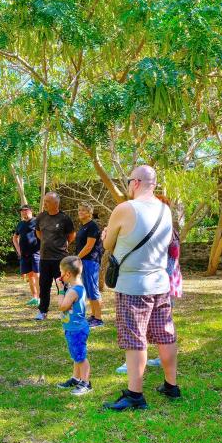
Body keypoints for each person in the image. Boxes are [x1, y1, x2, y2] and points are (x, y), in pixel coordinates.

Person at [101, 165, 180, 411]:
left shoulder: (125, 209)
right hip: (159, 283)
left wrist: (107, 234)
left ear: (135, 182)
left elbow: (108, 244)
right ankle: (171, 385)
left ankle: (135, 395)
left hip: (133, 285)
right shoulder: (165, 210)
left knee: (135, 340)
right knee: (165, 334)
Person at [116, 195, 183, 372]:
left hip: (155, 281)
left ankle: (135, 365)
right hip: (163, 281)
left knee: (141, 326)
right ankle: (167, 374)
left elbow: (168, 258)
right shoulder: (169, 229)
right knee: (162, 327)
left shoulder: (165, 230)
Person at [34, 192, 75, 320]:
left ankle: (65, 311)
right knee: (44, 286)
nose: (44, 203)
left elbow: (72, 235)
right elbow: (38, 233)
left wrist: (61, 245)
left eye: (47, 201)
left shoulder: (64, 218)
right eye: (44, 201)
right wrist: (47, 244)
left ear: (56, 203)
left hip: (60, 259)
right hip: (44, 258)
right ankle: (42, 312)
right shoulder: (41, 217)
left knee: (62, 285)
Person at [55, 256, 92, 396]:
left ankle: (86, 383)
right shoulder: (78, 286)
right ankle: (76, 378)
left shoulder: (71, 291)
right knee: (76, 355)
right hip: (74, 328)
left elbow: (62, 306)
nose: (60, 275)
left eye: (61, 272)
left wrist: (60, 290)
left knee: (80, 357)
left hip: (76, 329)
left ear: (68, 274)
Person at [75, 202, 104, 328]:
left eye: (83, 210)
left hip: (91, 261)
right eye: (79, 210)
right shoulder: (83, 226)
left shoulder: (92, 226)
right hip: (83, 261)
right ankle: (93, 316)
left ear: (89, 213)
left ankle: (98, 318)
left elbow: (89, 246)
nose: (80, 212)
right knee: (88, 289)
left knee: (93, 289)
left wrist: (76, 258)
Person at [12, 204, 40, 306]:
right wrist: (19, 251)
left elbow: (43, 235)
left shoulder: (37, 221)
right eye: (22, 211)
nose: (24, 212)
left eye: (26, 210)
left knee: (37, 275)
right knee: (30, 276)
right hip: (24, 255)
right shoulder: (20, 224)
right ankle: (35, 297)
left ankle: (41, 299)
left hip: (36, 253)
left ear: (31, 211)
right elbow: (15, 237)